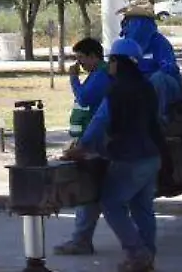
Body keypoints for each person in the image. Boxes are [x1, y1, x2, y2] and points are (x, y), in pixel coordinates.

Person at [69, 39, 164, 272]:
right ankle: (148, 255)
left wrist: (81, 147)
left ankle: (137, 254)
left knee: (110, 203)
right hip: (153, 156)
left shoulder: (117, 90)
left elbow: (100, 120)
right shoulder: (147, 86)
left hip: (130, 159)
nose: (108, 64)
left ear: (118, 62)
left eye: (111, 60)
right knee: (142, 207)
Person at [54, 37, 112, 257]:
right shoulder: (98, 74)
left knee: (89, 192)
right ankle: (82, 238)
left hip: (97, 140)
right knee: (94, 193)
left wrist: (73, 79)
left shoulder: (100, 75)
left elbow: (84, 98)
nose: (80, 64)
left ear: (93, 56)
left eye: (81, 59)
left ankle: (81, 240)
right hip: (92, 137)